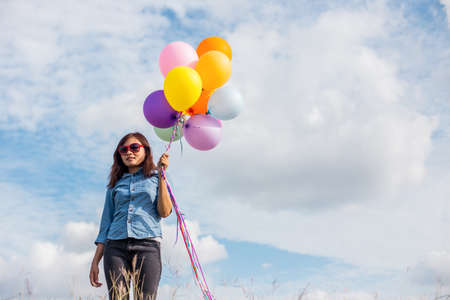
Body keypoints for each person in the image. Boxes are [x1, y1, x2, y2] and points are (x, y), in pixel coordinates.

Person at [89, 132, 173, 300]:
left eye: (135, 147)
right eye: (124, 149)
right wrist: (95, 260)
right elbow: (106, 223)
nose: (129, 152)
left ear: (146, 151)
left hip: (148, 246)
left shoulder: (157, 178)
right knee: (118, 297)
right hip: (115, 247)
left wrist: (162, 176)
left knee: (146, 297)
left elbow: (164, 212)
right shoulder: (114, 185)